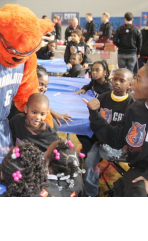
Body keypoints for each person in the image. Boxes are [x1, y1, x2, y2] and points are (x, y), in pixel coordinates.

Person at [83, 63, 148, 197]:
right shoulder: (135, 109)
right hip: (138, 168)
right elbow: (116, 139)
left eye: (138, 79)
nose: (133, 84)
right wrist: (95, 114)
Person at [8, 65, 73, 128]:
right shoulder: (21, 105)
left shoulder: (32, 101)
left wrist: (52, 112)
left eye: (46, 86)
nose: (43, 89)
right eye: (40, 84)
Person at [75, 60, 113, 156]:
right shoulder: (95, 81)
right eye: (92, 70)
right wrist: (84, 89)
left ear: (105, 72)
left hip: (102, 117)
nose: (94, 73)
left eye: (97, 70)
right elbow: (89, 85)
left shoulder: (108, 89)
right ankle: (90, 148)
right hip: (94, 111)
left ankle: (91, 152)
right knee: (79, 129)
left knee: (81, 128)